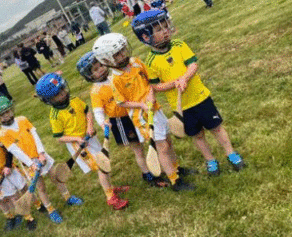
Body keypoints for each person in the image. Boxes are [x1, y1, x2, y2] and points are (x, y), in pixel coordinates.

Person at [132, 10, 244, 176]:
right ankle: (210, 160)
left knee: (217, 128)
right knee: (197, 135)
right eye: (159, 29)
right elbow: (156, 86)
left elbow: (193, 65)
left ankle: (231, 153)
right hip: (182, 108)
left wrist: (184, 78)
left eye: (165, 26)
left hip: (201, 97)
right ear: (146, 37)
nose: (165, 30)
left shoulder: (179, 45)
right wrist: (173, 84)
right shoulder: (150, 61)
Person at [92, 33, 196, 191]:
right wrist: (141, 105)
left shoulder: (136, 63)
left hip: (155, 109)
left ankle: (176, 168)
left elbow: (149, 83)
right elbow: (121, 102)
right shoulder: (115, 79)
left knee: (167, 141)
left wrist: (151, 95)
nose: (123, 54)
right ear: (107, 60)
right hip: (142, 117)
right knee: (162, 147)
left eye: (122, 50)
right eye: (117, 54)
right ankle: (175, 181)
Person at [35, 73, 129, 210]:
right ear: (49, 100)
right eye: (57, 95)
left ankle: (110, 187)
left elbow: (87, 112)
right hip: (79, 145)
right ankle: (110, 197)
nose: (63, 94)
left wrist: (90, 127)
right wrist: (76, 139)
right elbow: (59, 137)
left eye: (62, 90)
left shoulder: (74, 99)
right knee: (101, 167)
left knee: (104, 162)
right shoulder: (55, 115)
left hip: (90, 138)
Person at [0, 96, 84, 223]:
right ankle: (50, 210)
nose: (6, 116)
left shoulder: (22, 119)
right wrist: (31, 163)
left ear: (11, 109)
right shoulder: (3, 134)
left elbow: (35, 136)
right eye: (2, 115)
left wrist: (41, 153)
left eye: (7, 111)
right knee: (41, 187)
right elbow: (16, 151)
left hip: (41, 156)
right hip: (29, 164)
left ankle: (68, 197)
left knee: (56, 177)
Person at [77, 51, 168, 187]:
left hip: (134, 114)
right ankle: (147, 174)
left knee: (152, 141)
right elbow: (98, 111)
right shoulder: (96, 91)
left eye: (100, 65)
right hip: (121, 121)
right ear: (89, 76)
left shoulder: (115, 77)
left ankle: (158, 166)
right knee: (138, 149)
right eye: (95, 70)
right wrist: (102, 123)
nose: (100, 69)